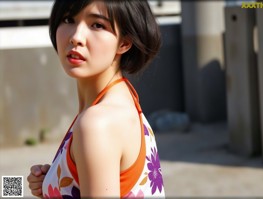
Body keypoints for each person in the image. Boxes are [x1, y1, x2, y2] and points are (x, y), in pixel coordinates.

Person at [27, 0, 165, 198]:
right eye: (68, 19)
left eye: (97, 25)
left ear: (124, 43)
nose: (76, 37)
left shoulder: (97, 123)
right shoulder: (123, 96)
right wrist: (53, 180)